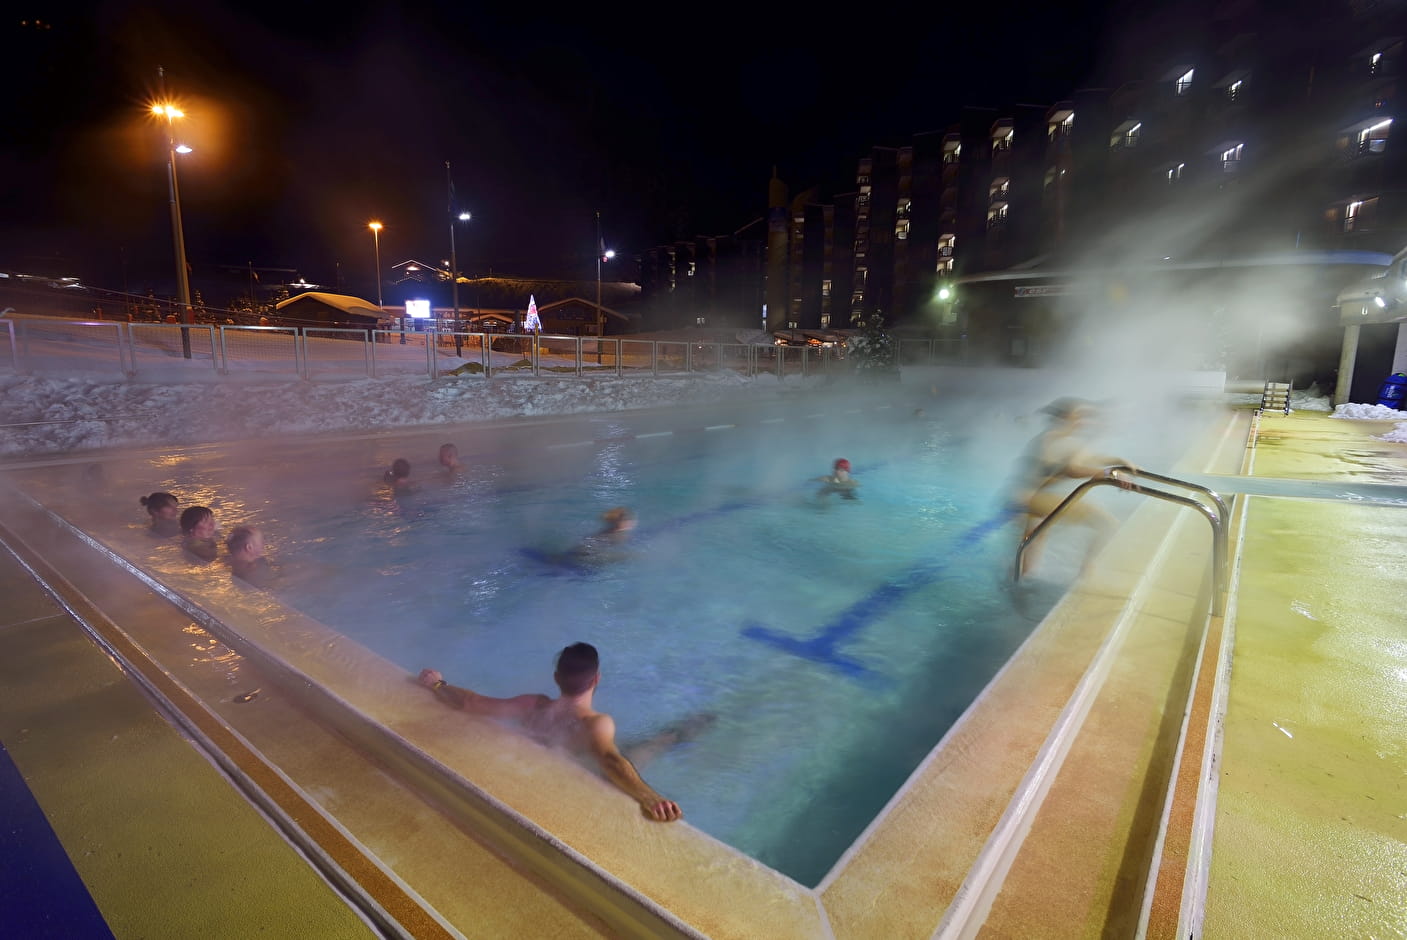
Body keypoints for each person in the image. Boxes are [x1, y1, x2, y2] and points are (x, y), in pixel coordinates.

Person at [416, 643, 684, 822]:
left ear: (556, 677)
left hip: (537, 768)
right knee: (648, 746)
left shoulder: (532, 705)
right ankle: (681, 733)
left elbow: (470, 703)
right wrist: (651, 797)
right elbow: (610, 760)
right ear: (596, 679)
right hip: (584, 772)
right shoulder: (596, 723)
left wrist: (437, 684)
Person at [1009, 397, 1137, 577]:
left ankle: (1015, 583)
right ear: (1066, 417)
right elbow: (1073, 469)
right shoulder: (1055, 438)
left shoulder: (1059, 437)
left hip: (1028, 497)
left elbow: (1085, 458)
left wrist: (1118, 461)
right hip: (1035, 498)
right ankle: (1086, 571)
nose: (1086, 420)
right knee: (1106, 524)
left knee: (1029, 555)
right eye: (1081, 415)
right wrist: (1108, 473)